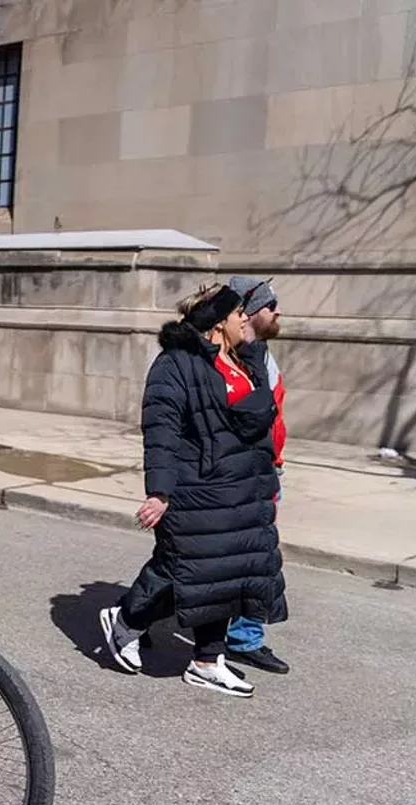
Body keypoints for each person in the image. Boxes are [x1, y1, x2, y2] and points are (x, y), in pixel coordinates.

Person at [99, 283, 285, 698]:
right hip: (196, 489)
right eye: (238, 313)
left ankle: (206, 661)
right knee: (180, 571)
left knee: (225, 577)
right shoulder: (177, 364)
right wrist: (159, 491)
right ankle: (127, 620)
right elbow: (161, 430)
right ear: (219, 322)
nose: (245, 320)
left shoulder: (242, 360)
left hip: (239, 491)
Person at [224, 275, 290, 674]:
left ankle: (245, 637)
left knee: (258, 560)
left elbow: (274, 415)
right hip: (235, 476)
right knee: (198, 558)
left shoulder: (262, 355)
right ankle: (134, 616)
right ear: (248, 314)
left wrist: (276, 463)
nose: (278, 312)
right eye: (271, 306)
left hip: (265, 473)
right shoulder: (223, 356)